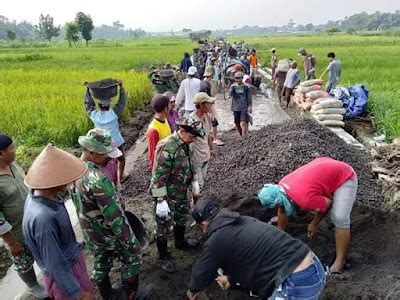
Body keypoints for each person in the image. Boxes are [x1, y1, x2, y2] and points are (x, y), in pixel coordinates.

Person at [186, 199, 326, 300]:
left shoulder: (216, 240)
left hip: (295, 282)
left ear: (203, 224)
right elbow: (252, 260)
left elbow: (202, 273)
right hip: (314, 267)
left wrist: (192, 290)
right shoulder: (244, 221)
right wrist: (231, 279)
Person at [72, 128, 154, 299]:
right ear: (92, 152)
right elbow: (116, 218)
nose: (109, 157)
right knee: (132, 259)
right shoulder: (98, 180)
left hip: (91, 233)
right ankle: (130, 295)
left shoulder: (74, 171)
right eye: (105, 154)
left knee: (101, 263)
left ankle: (107, 294)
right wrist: (131, 243)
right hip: (107, 232)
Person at [258, 157, 358, 274]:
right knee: (304, 202)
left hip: (345, 175)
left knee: (339, 218)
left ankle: (340, 262)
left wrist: (314, 223)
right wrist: (280, 234)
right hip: (324, 166)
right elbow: (282, 209)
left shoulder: (305, 199)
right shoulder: (282, 186)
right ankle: (321, 195)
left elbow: (328, 204)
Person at [22, 144, 95, 300]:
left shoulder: (40, 194)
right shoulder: (43, 218)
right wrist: (78, 293)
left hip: (71, 261)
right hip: (64, 274)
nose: (70, 180)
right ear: (53, 181)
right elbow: (54, 263)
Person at [149, 117, 205, 274]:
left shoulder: (186, 145)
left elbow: (188, 164)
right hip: (166, 197)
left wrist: (193, 180)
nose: (194, 139)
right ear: (181, 131)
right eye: (192, 136)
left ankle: (180, 242)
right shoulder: (167, 147)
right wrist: (160, 200)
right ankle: (164, 256)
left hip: (181, 192)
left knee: (181, 218)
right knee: (163, 227)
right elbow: (157, 177)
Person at [0, 135, 48, 299]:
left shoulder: (13, 165)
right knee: (23, 261)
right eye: (12, 148)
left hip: (34, 221)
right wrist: (11, 242)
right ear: (1, 154)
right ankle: (32, 286)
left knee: (42, 250)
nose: (15, 150)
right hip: (17, 232)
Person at [83, 79, 128, 183]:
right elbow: (122, 101)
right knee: (121, 159)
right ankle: (120, 176)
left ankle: (104, 179)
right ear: (109, 105)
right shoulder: (114, 113)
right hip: (116, 141)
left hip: (101, 143)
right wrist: (121, 87)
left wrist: (88, 89)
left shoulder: (94, 115)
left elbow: (88, 104)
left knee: (103, 163)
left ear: (99, 105)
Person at [189, 93, 216, 192]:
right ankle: (194, 204)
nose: (211, 106)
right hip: (196, 158)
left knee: (202, 180)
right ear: (201, 105)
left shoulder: (207, 117)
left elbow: (208, 135)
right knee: (198, 184)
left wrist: (212, 148)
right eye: (209, 103)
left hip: (206, 155)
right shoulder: (191, 121)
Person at [146, 94, 172, 170]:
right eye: (169, 105)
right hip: (162, 165)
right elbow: (152, 153)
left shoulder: (165, 119)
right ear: (165, 109)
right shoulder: (153, 130)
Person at [229, 72, 252, 136]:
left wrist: (250, 106)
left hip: (244, 107)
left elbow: (249, 98)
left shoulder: (247, 86)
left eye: (239, 78)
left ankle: (244, 136)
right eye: (236, 78)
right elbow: (230, 93)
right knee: (237, 123)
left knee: (243, 122)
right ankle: (241, 135)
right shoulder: (233, 86)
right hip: (235, 107)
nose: (238, 80)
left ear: (242, 78)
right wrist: (229, 96)